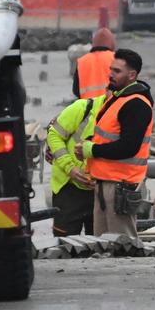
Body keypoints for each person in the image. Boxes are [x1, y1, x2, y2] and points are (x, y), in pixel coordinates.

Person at [75, 49, 153, 238]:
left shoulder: (136, 104)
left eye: (117, 71)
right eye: (111, 69)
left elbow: (129, 147)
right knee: (103, 245)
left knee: (122, 245)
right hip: (106, 184)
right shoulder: (119, 99)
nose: (110, 74)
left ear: (132, 75)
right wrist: (91, 145)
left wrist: (92, 149)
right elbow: (111, 137)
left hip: (120, 186)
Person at [46, 94, 105, 236]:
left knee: (100, 246)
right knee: (65, 246)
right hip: (69, 188)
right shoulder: (83, 109)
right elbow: (54, 135)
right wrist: (70, 168)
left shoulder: (123, 116)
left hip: (101, 190)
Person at [73, 27, 115, 99]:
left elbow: (76, 90)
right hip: (110, 105)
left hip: (88, 107)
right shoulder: (116, 58)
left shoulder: (81, 61)